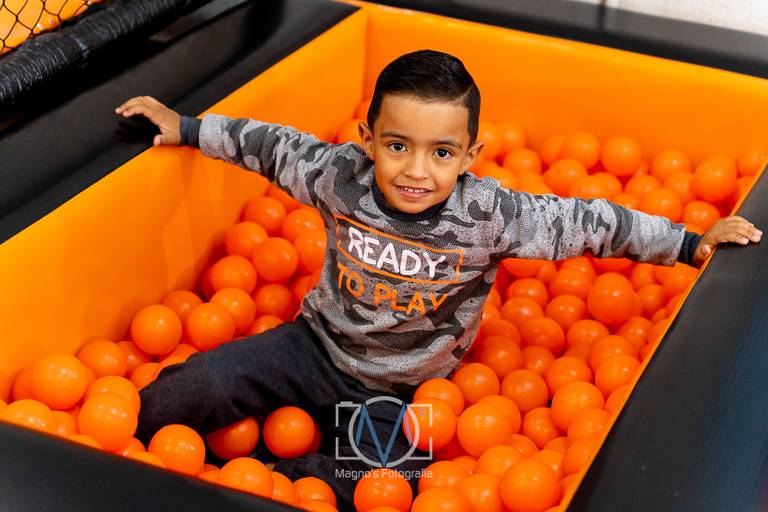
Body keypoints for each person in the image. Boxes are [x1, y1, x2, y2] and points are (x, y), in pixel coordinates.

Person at [115, 49, 761, 508]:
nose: (416, 171)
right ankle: (130, 451)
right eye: (398, 146)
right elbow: (272, 146)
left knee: (375, 483)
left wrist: (687, 242)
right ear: (368, 139)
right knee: (191, 388)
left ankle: (260, 475)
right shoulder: (339, 176)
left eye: (442, 152)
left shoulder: (489, 215)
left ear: (470, 157)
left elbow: (587, 221)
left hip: (407, 390)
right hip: (312, 347)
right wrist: (190, 128)